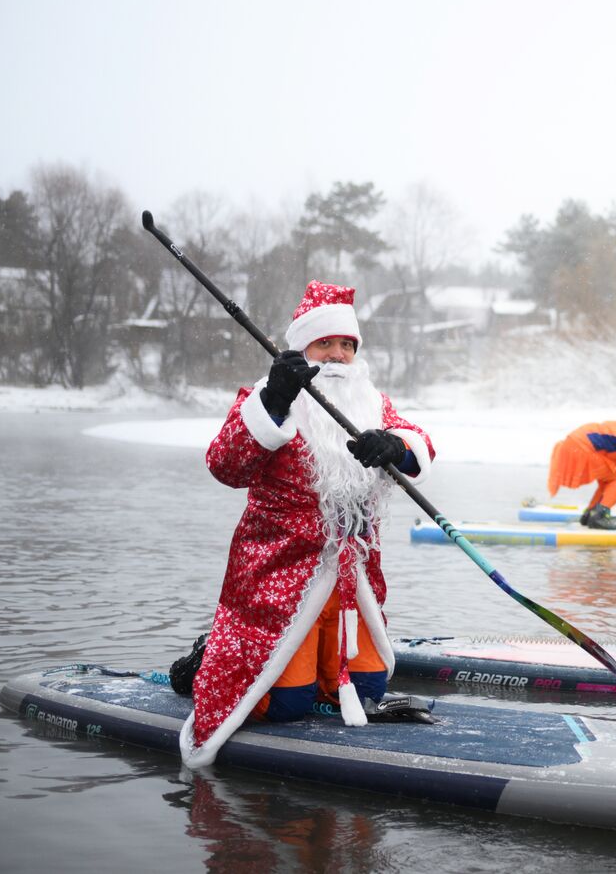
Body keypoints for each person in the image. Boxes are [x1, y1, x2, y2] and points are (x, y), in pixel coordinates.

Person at [180, 281, 436, 769]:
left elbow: (418, 442)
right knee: (286, 706)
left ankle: (324, 669)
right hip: (278, 577)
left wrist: (396, 446)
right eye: (326, 344)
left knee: (367, 689)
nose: (338, 356)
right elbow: (224, 465)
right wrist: (274, 400)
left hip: (349, 582)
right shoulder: (267, 396)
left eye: (347, 345)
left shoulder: (371, 403)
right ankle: (208, 658)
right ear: (302, 347)